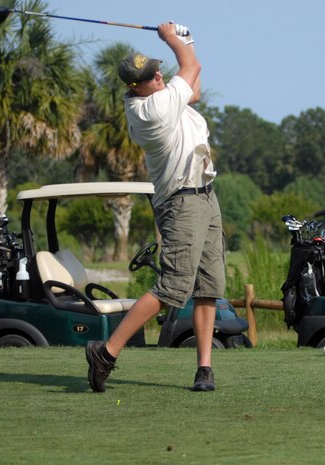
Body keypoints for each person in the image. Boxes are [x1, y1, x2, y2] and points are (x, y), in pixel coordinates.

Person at [85, 22, 225, 393]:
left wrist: (188, 41)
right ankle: (107, 351)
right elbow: (190, 69)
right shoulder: (151, 111)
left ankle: (204, 369)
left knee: (208, 286)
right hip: (181, 203)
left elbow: (192, 87)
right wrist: (172, 38)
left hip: (205, 196)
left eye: (158, 69)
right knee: (172, 287)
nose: (159, 76)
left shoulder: (163, 95)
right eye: (151, 76)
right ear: (136, 87)